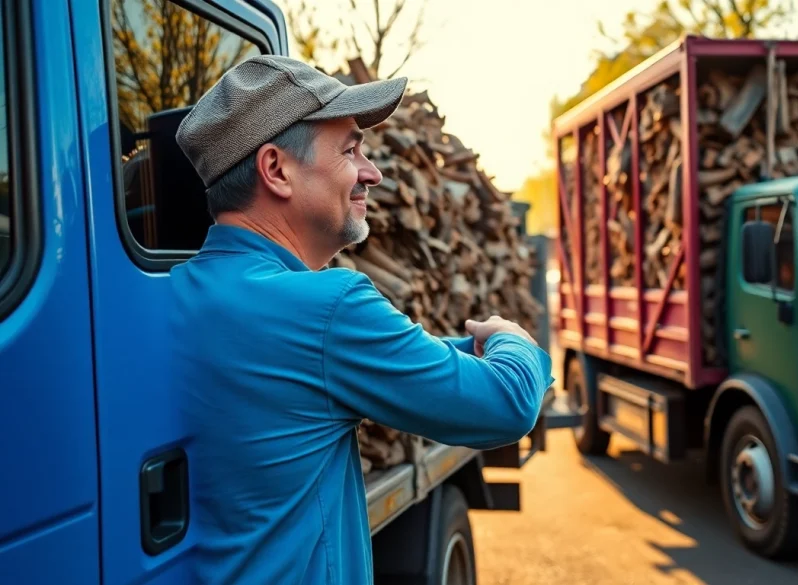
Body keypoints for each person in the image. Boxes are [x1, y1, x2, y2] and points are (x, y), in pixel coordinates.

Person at [169, 54, 554, 585]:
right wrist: (514, 341)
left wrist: (455, 352)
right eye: (350, 150)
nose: (371, 172)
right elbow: (505, 405)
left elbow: (323, 362)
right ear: (276, 169)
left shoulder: (176, 294)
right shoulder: (326, 308)